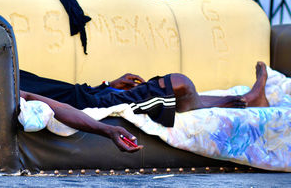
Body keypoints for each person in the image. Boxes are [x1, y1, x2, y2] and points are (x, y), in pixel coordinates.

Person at [19, 61, 269, 153]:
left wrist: (107, 84)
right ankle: (245, 100)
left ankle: (245, 100)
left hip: (95, 93)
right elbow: (52, 103)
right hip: (93, 104)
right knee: (178, 83)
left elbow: (56, 90)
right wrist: (106, 130)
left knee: (173, 93)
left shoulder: (6, 64)